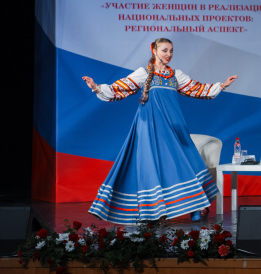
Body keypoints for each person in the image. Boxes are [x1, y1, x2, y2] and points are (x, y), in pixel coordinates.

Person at [83, 38, 238, 224]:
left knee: (185, 163)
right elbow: (119, 89)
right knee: (152, 167)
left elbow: (197, 89)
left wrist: (222, 85)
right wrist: (97, 88)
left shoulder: (176, 75)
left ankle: (194, 206)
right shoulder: (143, 73)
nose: (168, 54)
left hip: (173, 124)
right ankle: (154, 211)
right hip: (148, 126)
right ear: (154, 51)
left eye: (171, 51)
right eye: (164, 50)